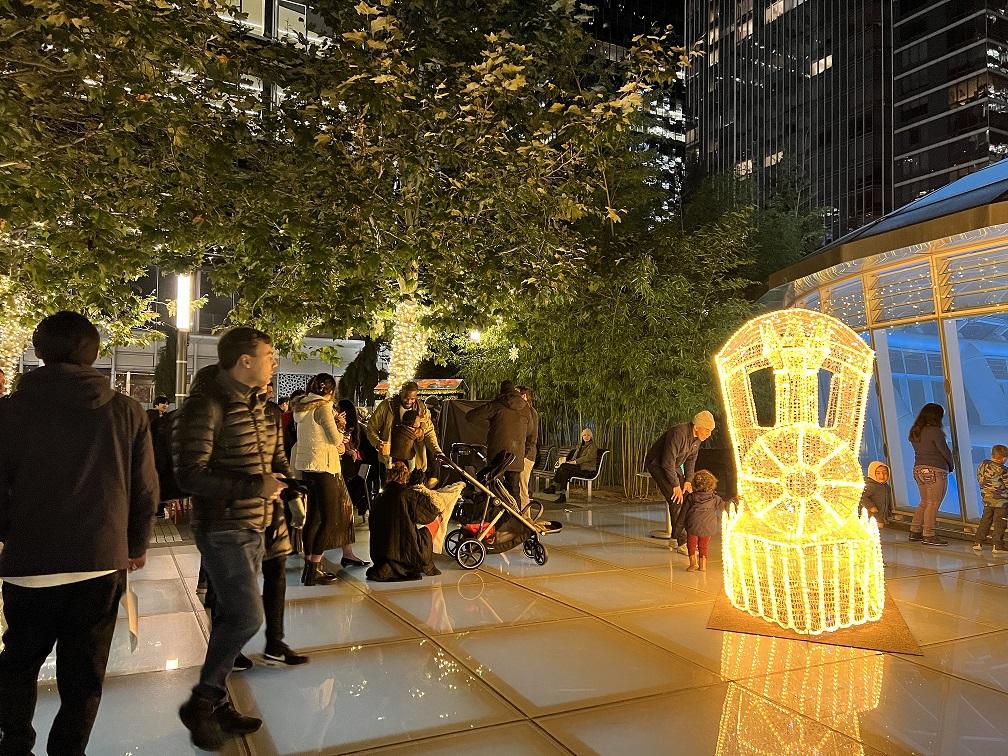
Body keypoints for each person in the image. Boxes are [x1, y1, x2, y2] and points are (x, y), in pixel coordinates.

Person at [0, 311, 158, 756]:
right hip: (100, 559)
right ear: (94, 354)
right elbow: (145, 487)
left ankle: (14, 741)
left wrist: (12, 531)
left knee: (19, 659)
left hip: (29, 561)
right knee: (84, 673)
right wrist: (136, 543)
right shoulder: (125, 411)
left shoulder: (9, 412)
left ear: (38, 350)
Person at [172, 326, 290, 750]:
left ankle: (218, 703)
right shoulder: (208, 405)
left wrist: (282, 481)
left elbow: (271, 461)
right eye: (269, 354)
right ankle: (202, 703)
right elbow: (189, 475)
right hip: (223, 527)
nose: (274, 363)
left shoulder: (261, 406)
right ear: (245, 361)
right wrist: (253, 487)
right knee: (246, 616)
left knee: (230, 615)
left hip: (256, 524)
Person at [292, 373, 367, 585]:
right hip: (324, 467)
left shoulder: (302, 407)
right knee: (329, 518)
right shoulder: (323, 407)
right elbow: (335, 439)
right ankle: (314, 566)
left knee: (313, 517)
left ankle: (309, 568)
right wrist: (341, 430)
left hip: (307, 469)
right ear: (331, 391)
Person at [644, 411, 716, 550]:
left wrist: (688, 481)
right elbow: (667, 461)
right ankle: (682, 542)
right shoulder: (679, 433)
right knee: (676, 499)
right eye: (707, 430)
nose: (709, 434)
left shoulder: (697, 439)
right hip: (657, 463)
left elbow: (691, 460)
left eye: (710, 431)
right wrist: (675, 485)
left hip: (674, 466)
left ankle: (675, 537)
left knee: (687, 497)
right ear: (696, 426)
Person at [366, 462, 442, 582]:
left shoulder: (380, 496)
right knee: (436, 521)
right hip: (405, 552)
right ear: (406, 475)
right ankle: (424, 558)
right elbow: (429, 514)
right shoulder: (407, 494)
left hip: (379, 553)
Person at [465, 381, 533, 503]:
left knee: (495, 488)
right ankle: (515, 518)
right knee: (514, 490)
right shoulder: (526, 408)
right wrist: (524, 452)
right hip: (516, 456)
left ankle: (495, 517)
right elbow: (530, 432)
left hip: (498, 455)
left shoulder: (496, 405)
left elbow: (471, 416)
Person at [366, 381, 444, 476]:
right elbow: (371, 428)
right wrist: (378, 443)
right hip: (389, 460)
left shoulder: (421, 409)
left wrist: (437, 451)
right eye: (406, 398)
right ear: (400, 393)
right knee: (390, 488)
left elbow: (429, 431)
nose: (409, 401)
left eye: (412, 399)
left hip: (414, 461)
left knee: (412, 489)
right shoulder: (386, 406)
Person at [908, 403, 954, 546]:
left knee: (924, 502)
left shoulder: (916, 431)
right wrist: (951, 465)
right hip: (935, 469)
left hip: (918, 469)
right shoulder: (935, 431)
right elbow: (944, 451)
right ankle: (929, 534)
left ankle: (915, 532)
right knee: (933, 504)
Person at [680, 469, 723, 572]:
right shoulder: (715, 499)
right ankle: (703, 566)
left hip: (693, 526)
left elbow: (683, 513)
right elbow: (724, 506)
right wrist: (734, 500)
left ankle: (693, 563)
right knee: (703, 546)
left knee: (691, 544)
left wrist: (678, 527)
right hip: (708, 527)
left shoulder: (691, 498)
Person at [543, 428, 597, 504]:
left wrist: (574, 462)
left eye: (588, 435)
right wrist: (570, 461)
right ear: (582, 436)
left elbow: (588, 457)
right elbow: (575, 456)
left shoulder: (592, 446)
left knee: (564, 467)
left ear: (591, 436)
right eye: (584, 435)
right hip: (579, 468)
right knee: (564, 470)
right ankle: (562, 495)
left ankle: (554, 486)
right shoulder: (581, 445)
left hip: (587, 471)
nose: (586, 436)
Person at [337, 399, 368, 521]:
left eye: (337, 408)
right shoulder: (358, 427)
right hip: (358, 467)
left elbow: (340, 444)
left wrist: (349, 451)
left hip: (349, 467)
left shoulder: (346, 428)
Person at [974, 444, 1008, 555]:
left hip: (987, 499)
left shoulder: (982, 465)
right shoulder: (1003, 470)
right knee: (1000, 522)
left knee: (985, 520)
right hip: (1001, 501)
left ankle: (978, 542)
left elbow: (979, 479)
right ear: (1004, 458)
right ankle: (997, 545)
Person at [517, 386, 539, 510]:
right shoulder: (524, 412)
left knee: (522, 488)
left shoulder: (530, 413)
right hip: (522, 453)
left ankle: (526, 518)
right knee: (520, 487)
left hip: (526, 454)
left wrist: (524, 453)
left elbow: (531, 437)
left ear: (524, 396)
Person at [858, 461, 892, 527]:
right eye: (878, 473)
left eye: (885, 473)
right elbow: (861, 496)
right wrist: (870, 506)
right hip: (870, 518)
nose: (882, 476)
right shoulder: (871, 486)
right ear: (872, 473)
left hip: (881, 517)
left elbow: (888, 501)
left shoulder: (886, 487)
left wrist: (889, 511)